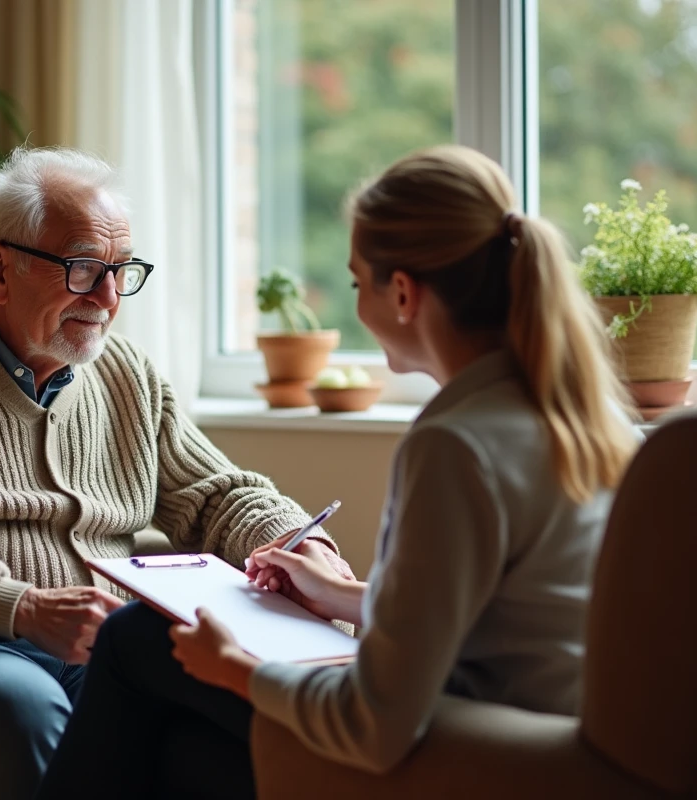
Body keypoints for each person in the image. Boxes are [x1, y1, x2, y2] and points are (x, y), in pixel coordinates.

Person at [35, 144, 640, 799]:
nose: (356, 303)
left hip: (475, 750)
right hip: (549, 738)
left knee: (136, 636)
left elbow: (375, 723)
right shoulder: (584, 414)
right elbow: (498, 614)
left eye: (358, 283)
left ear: (403, 292)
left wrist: (236, 667)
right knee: (188, 758)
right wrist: (340, 595)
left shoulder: (456, 444)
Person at [0, 146, 355, 800]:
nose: (110, 298)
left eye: (122, 271)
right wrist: (23, 607)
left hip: (121, 644)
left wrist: (302, 542)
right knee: (20, 706)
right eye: (86, 269)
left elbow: (218, 493)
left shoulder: (127, 374)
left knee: (233, 722)